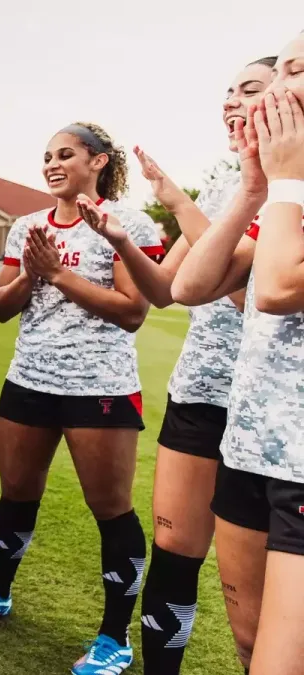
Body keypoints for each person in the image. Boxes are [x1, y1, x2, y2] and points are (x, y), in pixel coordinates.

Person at [0, 122, 163, 675]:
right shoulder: (26, 226)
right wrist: (30, 276)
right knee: (16, 494)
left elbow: (132, 311)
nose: (51, 163)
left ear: (98, 162)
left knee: (110, 510)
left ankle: (113, 638)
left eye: (65, 154)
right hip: (29, 382)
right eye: (46, 155)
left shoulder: (128, 224)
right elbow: (1, 306)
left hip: (100, 389)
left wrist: (57, 275)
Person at [88, 56, 275, 675]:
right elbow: (169, 289)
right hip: (201, 391)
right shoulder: (226, 188)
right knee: (174, 547)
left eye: (250, 89)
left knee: (257, 601)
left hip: (271, 415)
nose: (231, 101)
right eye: (227, 90)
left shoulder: (284, 189)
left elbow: (235, 286)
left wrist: (173, 197)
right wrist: (120, 240)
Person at [172, 35, 304, 674]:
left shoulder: (294, 187)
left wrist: (282, 182)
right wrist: (252, 190)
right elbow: (192, 286)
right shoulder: (282, 191)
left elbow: (278, 289)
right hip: (250, 449)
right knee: (251, 644)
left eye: (298, 68)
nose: (282, 81)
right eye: (280, 68)